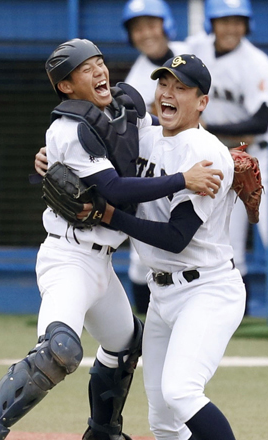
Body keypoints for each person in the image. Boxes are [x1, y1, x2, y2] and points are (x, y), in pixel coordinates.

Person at [0, 38, 223, 440]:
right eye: (86, 69)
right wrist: (184, 179)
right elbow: (114, 190)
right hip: (68, 257)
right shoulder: (67, 130)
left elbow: (157, 142)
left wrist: (222, 157)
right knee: (60, 349)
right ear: (66, 86)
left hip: (103, 262)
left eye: (99, 61)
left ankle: (102, 434)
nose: (99, 71)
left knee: (126, 342)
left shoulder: (124, 106)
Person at [81, 54, 268, 440]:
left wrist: (110, 214)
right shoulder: (145, 135)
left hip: (209, 288)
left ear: (202, 101)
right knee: (163, 420)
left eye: (181, 87)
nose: (168, 92)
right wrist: (48, 156)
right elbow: (97, 143)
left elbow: (173, 237)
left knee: (182, 391)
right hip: (163, 294)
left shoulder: (208, 154)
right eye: (163, 82)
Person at [186, 0, 268, 304]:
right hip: (222, 160)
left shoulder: (257, 63)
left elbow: (260, 121)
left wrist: (207, 126)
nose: (231, 28)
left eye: (237, 21)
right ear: (212, 24)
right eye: (224, 21)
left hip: (260, 159)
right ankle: (235, 314)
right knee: (227, 244)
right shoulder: (197, 49)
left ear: (246, 24)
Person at [121, 0, 188, 314]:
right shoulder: (135, 80)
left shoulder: (192, 53)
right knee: (142, 257)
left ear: (166, 24)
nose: (145, 33)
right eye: (137, 28)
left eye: (151, 24)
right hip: (158, 165)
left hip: (204, 157)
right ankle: (144, 322)